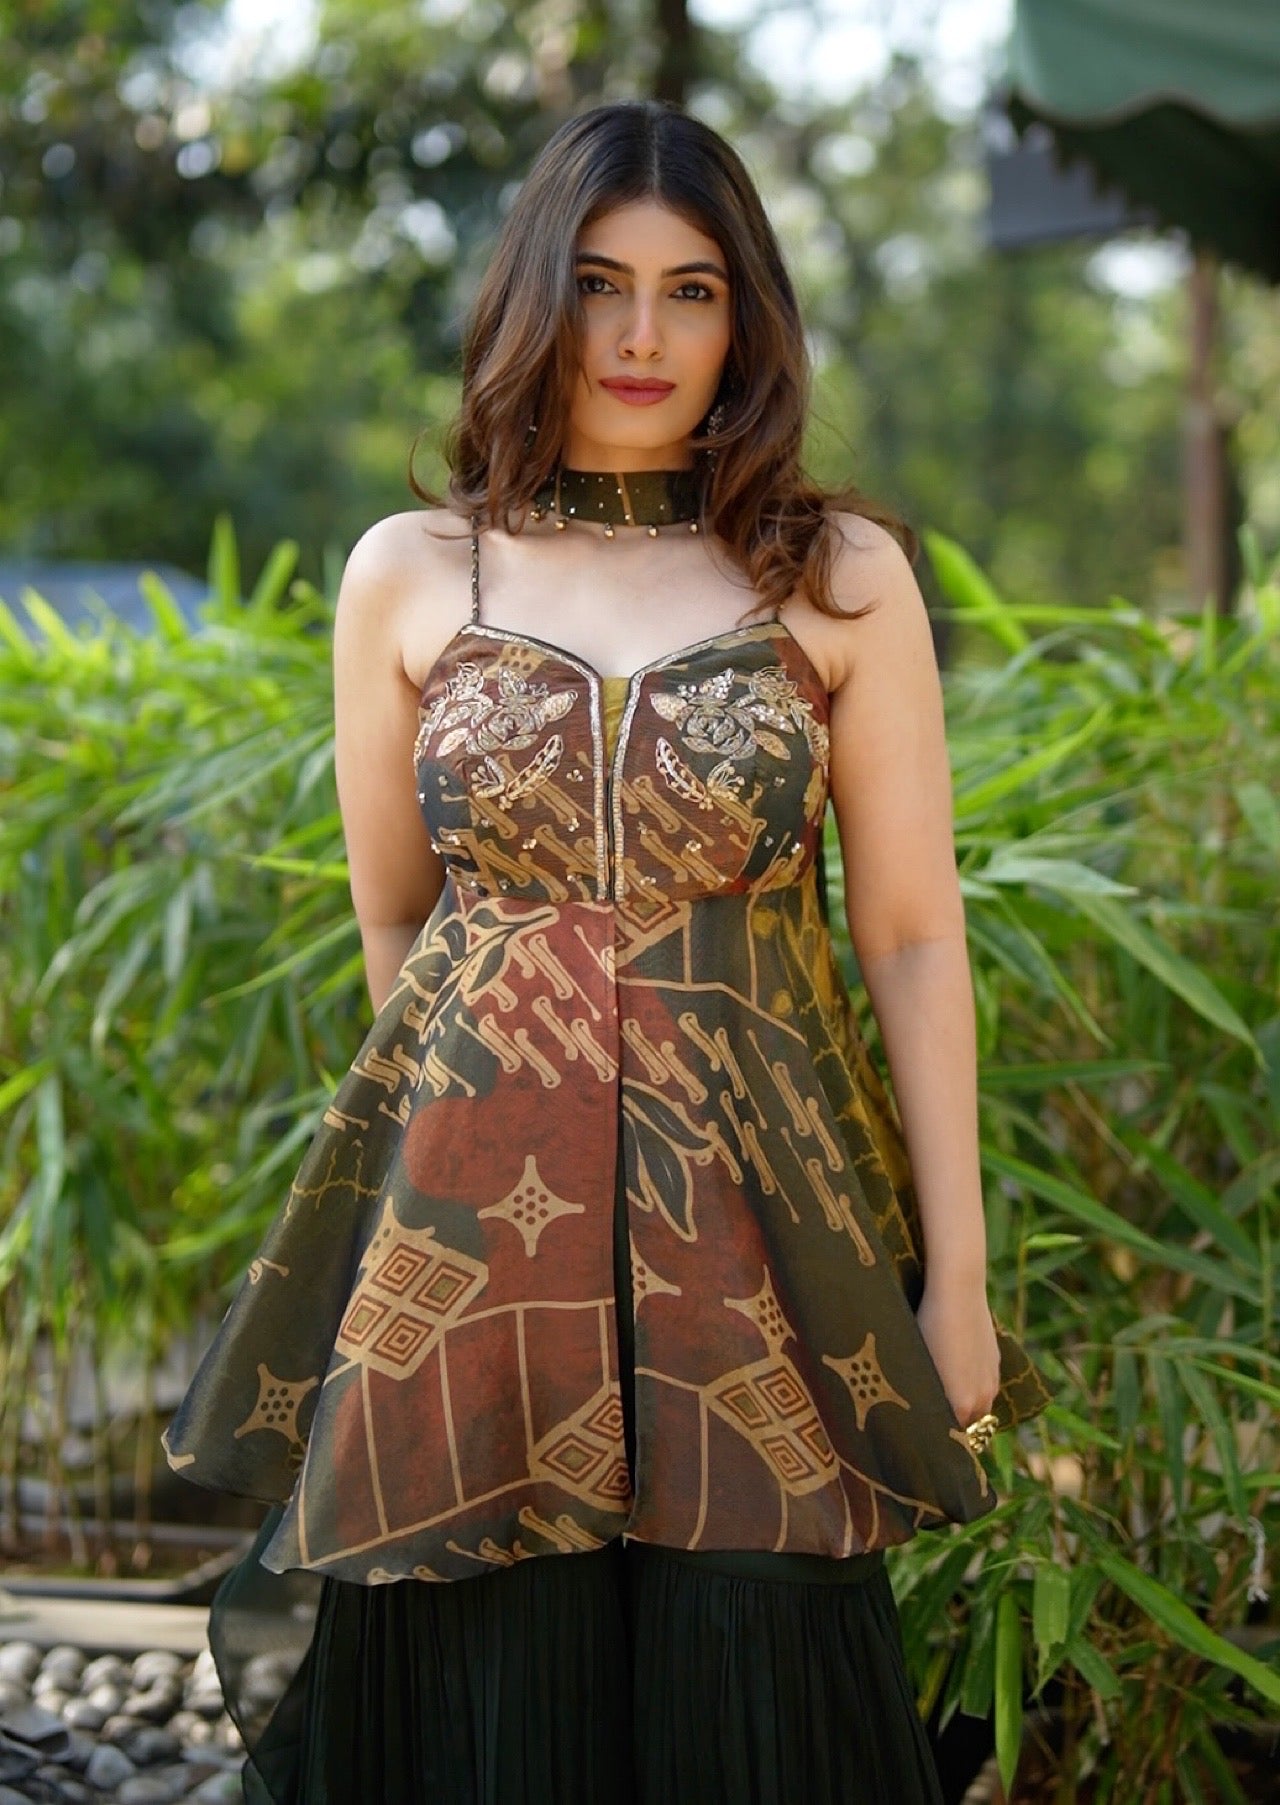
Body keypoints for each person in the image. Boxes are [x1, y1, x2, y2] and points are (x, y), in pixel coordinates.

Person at [163, 99, 1050, 1805]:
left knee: (761, 1674)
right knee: (489, 1699)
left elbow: (917, 936)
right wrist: (480, 1171)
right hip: (474, 1250)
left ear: (749, 317)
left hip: (764, 1235)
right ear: (530, 301)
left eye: (693, 289)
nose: (644, 336)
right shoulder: (412, 573)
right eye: (598, 284)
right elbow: (399, 917)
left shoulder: (839, 574)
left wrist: (962, 1276)